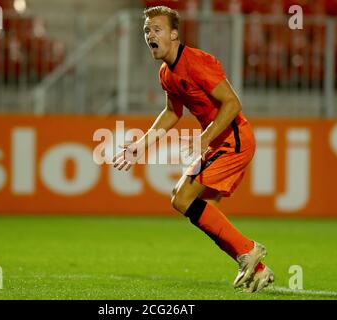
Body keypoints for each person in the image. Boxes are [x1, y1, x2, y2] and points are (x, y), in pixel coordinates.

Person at [113, 5, 274, 293]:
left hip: (234, 140)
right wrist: (140, 145)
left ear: (174, 34)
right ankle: (256, 267)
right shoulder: (166, 73)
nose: (150, 34)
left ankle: (248, 250)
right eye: (147, 30)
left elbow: (233, 103)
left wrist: (205, 137)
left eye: (157, 29)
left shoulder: (197, 61)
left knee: (185, 197)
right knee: (186, 202)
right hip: (217, 142)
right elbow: (171, 113)